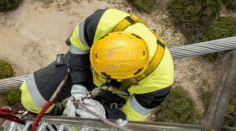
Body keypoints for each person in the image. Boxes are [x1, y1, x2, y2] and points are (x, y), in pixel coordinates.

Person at [20, 8, 174, 122]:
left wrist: (104, 114)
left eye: (103, 74)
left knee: (76, 124)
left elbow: (131, 119)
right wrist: (79, 84)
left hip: (118, 92)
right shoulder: (105, 21)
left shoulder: (159, 82)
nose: (98, 76)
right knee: (31, 97)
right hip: (84, 64)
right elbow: (78, 45)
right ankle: (55, 111)